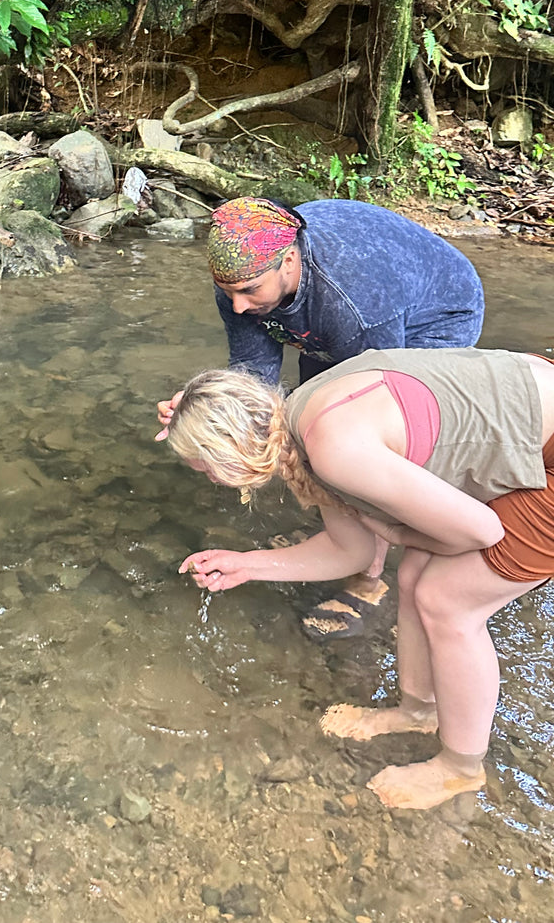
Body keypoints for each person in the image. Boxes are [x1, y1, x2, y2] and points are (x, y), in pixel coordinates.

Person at [163, 348, 554, 810]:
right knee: (413, 575)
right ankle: (418, 712)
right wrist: (247, 564)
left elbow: (483, 531)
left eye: (205, 468)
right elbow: (352, 551)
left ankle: (461, 770)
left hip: (545, 440)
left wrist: (394, 530)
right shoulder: (300, 419)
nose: (209, 480)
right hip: (530, 402)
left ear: (229, 457)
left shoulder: (333, 450)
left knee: (447, 600)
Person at [157, 196, 484, 640]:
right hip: (341, 307)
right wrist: (209, 411)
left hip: (435, 313)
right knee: (308, 426)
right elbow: (254, 378)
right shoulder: (242, 274)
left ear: (288, 261)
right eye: (227, 291)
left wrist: (359, 491)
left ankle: (369, 574)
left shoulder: (353, 303)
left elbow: (376, 402)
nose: (236, 306)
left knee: (353, 443)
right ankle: (341, 537)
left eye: (249, 292)